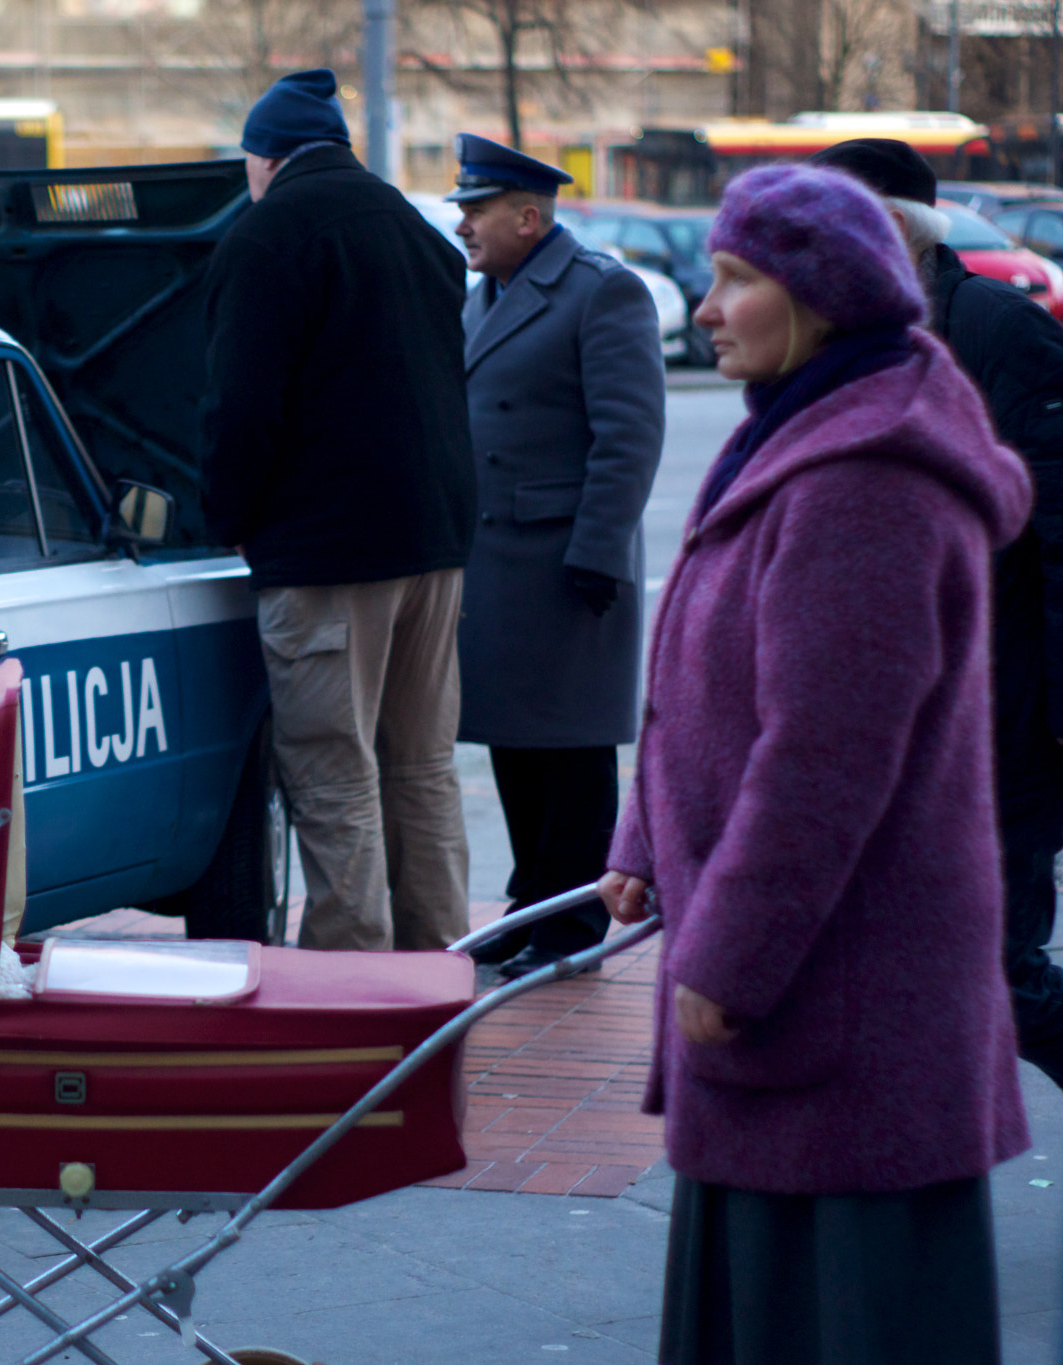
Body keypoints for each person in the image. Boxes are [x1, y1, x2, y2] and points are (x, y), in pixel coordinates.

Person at [599, 164, 1030, 1364]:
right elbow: (696, 674)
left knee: (844, 1326)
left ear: (820, 297)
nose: (701, 305)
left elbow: (823, 761)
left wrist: (727, 958)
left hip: (838, 1002)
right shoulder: (796, 435)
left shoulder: (865, 480)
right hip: (794, 998)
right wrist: (642, 840)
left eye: (734, 281)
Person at [806, 137, 1063, 1089]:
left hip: (1001, 706)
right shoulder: (829, 334)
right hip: (888, 718)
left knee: (998, 965)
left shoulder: (995, 327)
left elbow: (1059, 525)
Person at [200, 69, 477, 951]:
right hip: (432, 542)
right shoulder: (416, 229)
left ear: (265, 158)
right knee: (423, 764)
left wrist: (229, 515)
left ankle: (351, 974)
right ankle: (435, 963)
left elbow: (241, 408)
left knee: (332, 768)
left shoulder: (266, 235)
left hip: (326, 552)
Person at [447, 134, 665, 978]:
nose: (463, 224)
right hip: (497, 556)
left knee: (570, 751)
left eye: (477, 209)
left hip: (565, 561)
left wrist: (599, 553)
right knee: (514, 741)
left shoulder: (599, 292)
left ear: (529, 216)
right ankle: (531, 896)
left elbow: (629, 436)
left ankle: (572, 923)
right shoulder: (488, 293)